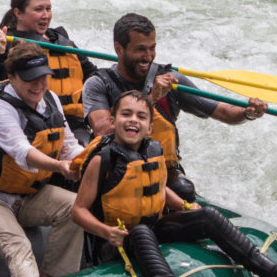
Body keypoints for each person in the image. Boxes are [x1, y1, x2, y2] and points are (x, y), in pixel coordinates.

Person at [72, 91, 277, 277]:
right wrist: (106, 232)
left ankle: (271, 272)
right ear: (113, 121)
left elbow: (157, 187)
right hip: (117, 241)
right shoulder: (101, 160)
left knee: (207, 216)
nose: (133, 120)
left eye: (141, 116)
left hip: (153, 225)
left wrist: (183, 205)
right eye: (126, 114)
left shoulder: (153, 150)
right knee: (141, 234)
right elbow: (78, 210)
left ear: (149, 127)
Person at [82, 13, 267, 201]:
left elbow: (224, 112)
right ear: (119, 49)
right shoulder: (98, 84)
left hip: (159, 169)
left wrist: (248, 113)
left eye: (152, 48)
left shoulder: (170, 80)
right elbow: (102, 130)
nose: (148, 57)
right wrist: (152, 98)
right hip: (114, 171)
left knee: (184, 191)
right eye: (140, 50)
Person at [0, 43, 84, 277]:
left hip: (27, 195)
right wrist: (61, 167)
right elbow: (23, 152)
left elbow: (69, 145)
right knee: (19, 245)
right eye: (29, 79)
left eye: (42, 77)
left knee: (73, 210)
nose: (38, 85)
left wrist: (86, 161)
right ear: (12, 77)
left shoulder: (51, 99)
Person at [0, 0, 97, 144]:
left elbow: (92, 75)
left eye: (48, 9)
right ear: (18, 13)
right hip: (30, 123)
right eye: (38, 10)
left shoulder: (61, 41)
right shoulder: (6, 43)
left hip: (73, 124)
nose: (46, 15)